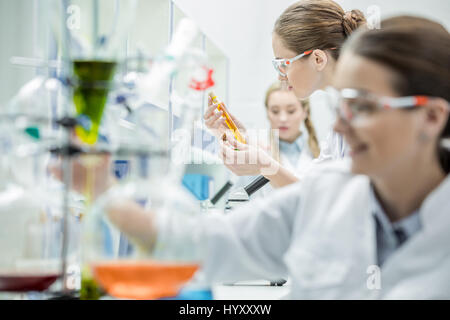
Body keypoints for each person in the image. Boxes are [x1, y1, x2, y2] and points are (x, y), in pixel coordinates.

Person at [104, 17, 450, 299]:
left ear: (432, 117)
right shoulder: (331, 193)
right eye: (340, 107)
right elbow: (203, 244)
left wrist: (265, 165)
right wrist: (100, 184)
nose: (341, 127)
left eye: (361, 108)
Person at [204, 0, 366, 188]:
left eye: (283, 64)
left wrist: (264, 165)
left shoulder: (363, 115)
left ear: (318, 59)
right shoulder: (341, 119)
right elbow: (308, 190)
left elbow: (332, 199)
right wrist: (248, 146)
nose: (281, 76)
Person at [230, 81, 320, 197]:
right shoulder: (257, 154)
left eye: (291, 111)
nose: (282, 118)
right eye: (275, 111)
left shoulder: (323, 153)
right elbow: (238, 200)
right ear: (267, 113)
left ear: (305, 112)